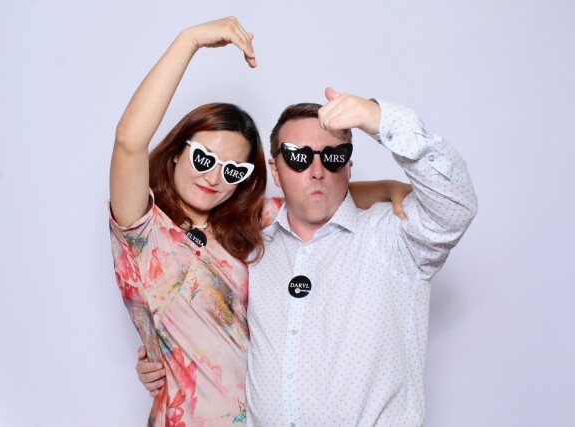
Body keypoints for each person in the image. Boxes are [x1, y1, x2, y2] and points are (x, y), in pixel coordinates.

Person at [110, 17, 412, 427]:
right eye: (204, 158)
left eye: (233, 170)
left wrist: (389, 187)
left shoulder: (248, 224)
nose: (214, 177)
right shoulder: (143, 232)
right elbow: (129, 141)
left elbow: (312, 195)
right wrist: (190, 40)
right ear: (178, 152)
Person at [137, 91, 477, 425]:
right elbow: (210, 323)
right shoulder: (250, 244)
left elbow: (456, 206)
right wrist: (163, 357)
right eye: (299, 157)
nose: (317, 171)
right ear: (276, 170)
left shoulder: (393, 236)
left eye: (332, 157)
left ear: (348, 167)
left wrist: (381, 119)